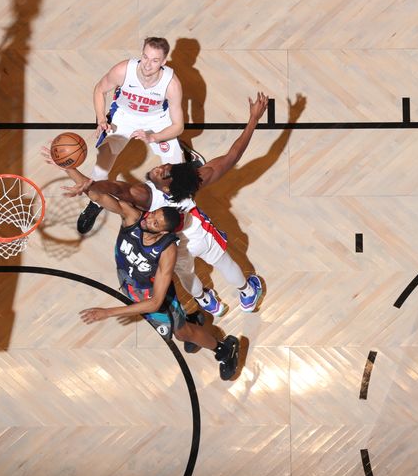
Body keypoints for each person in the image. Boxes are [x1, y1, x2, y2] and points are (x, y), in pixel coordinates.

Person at [65, 92, 269, 317]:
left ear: (165, 187)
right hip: (196, 232)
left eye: (163, 172)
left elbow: (115, 189)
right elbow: (233, 155)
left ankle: (207, 301)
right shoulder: (194, 182)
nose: (160, 167)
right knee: (222, 261)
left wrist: (88, 183)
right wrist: (253, 120)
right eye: (165, 168)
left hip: (168, 241)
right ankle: (247, 292)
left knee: (186, 274)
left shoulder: (145, 195)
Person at [50, 151, 242, 380]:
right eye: (154, 214)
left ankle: (223, 349)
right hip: (133, 285)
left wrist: (108, 312)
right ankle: (194, 318)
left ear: (163, 232)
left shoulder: (167, 251)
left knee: (182, 334)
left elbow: (155, 303)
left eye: (156, 221)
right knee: (181, 329)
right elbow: (99, 196)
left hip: (153, 297)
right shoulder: (133, 217)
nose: (149, 219)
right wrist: (67, 166)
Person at [78, 37, 186, 234]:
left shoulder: (171, 84)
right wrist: (101, 119)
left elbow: (178, 126)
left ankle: (170, 215)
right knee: (101, 166)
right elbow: (100, 89)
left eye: (155, 60)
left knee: (178, 174)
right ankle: (95, 203)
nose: (147, 64)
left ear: (164, 62)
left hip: (156, 120)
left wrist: (153, 137)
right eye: (145, 57)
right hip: (124, 117)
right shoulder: (123, 70)